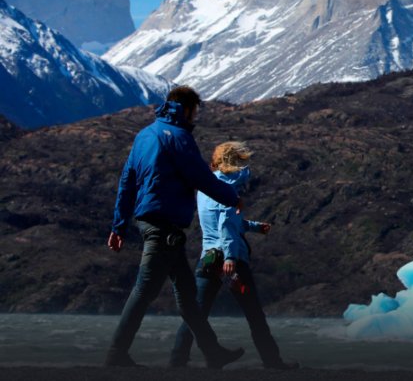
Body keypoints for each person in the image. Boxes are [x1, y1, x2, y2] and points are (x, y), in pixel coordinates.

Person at [105, 86, 245, 369]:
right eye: (196, 111)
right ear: (187, 109)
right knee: (144, 289)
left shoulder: (144, 135)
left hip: (150, 222)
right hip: (163, 225)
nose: (196, 117)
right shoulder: (179, 138)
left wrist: (118, 226)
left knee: (187, 293)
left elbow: (127, 182)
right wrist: (232, 197)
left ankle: (212, 352)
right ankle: (116, 354)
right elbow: (201, 178)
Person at [169, 141, 299, 370]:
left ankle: (177, 360)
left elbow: (225, 221)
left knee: (196, 313)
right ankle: (273, 361)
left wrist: (255, 227)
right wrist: (230, 258)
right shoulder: (227, 189)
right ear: (235, 161)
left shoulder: (206, 188)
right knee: (254, 313)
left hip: (208, 256)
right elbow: (226, 224)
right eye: (242, 159)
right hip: (231, 259)